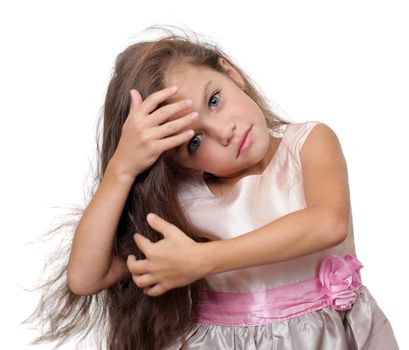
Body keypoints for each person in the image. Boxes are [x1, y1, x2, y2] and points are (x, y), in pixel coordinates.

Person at [25, 26, 399, 349]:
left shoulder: (308, 144)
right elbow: (86, 277)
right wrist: (121, 169)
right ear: (175, 163)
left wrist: (203, 259)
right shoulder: (185, 202)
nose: (224, 133)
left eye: (214, 101)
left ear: (230, 72)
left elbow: (327, 223)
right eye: (193, 142)